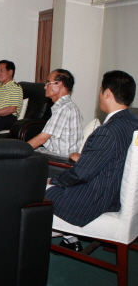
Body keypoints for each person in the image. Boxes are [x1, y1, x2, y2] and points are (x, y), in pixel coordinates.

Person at [47, 70, 138, 251]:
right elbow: (116, 158)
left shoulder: (108, 131)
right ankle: (67, 237)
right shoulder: (132, 123)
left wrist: (53, 181)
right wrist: (85, 158)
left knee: (32, 192)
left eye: (101, 90)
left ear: (107, 93)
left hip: (94, 200)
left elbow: (80, 174)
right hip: (115, 194)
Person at [27, 69, 83, 157]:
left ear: (59, 84)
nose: (45, 87)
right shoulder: (68, 106)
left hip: (58, 158)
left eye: (48, 82)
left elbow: (42, 139)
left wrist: (19, 151)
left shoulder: (64, 108)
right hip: (55, 153)